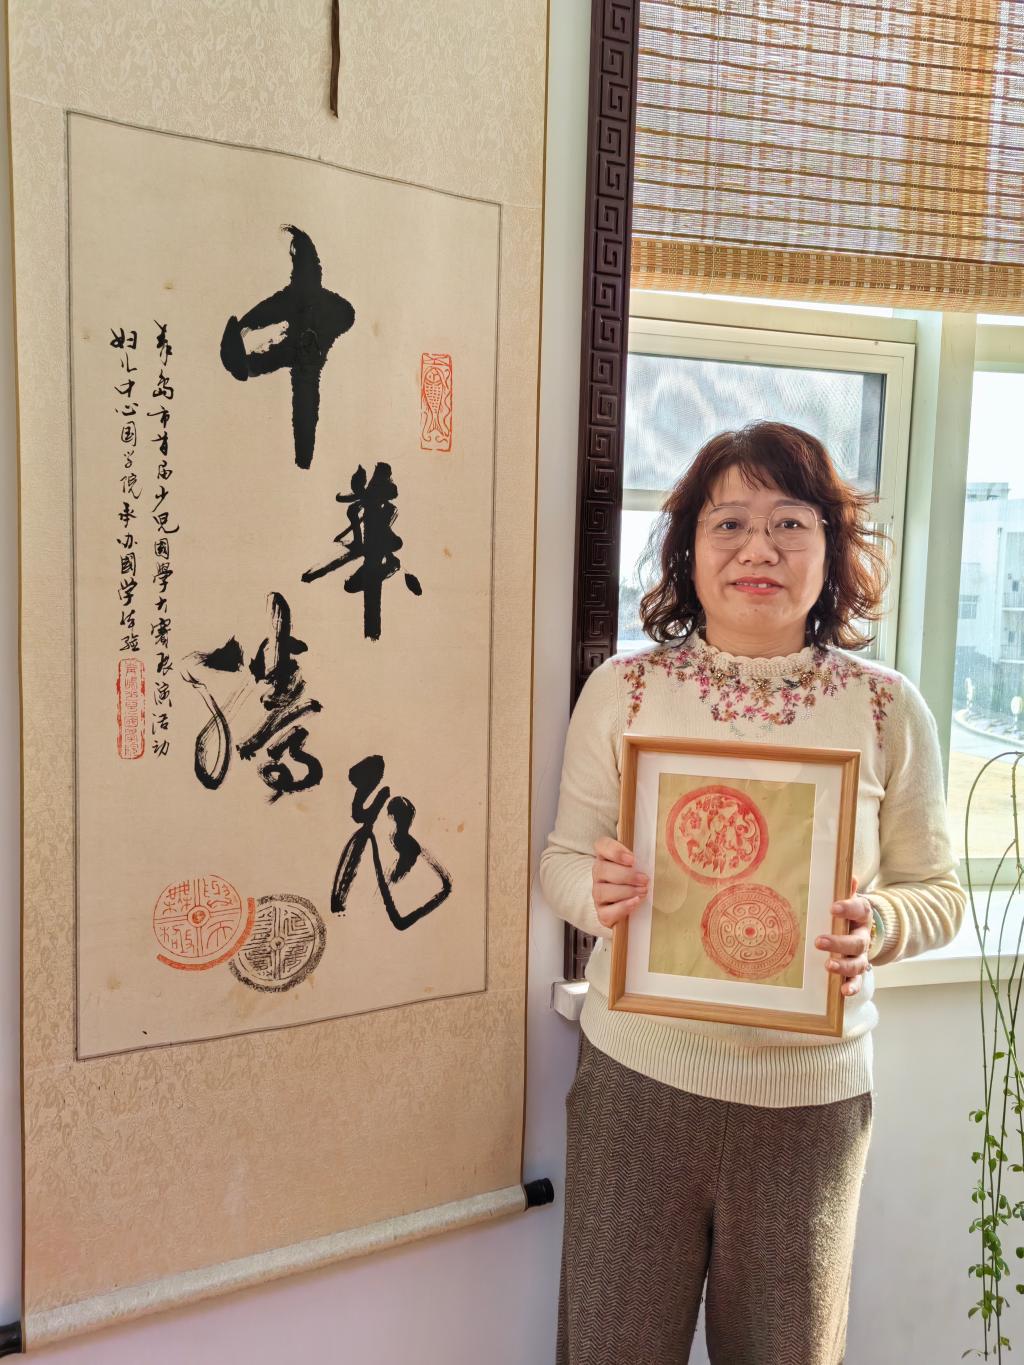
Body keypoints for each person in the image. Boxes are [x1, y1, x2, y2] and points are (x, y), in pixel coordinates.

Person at [540, 421, 965, 1365]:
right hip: (637, 1083)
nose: (758, 549)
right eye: (728, 522)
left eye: (789, 522)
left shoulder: (887, 707)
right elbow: (561, 861)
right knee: (609, 1348)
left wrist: (879, 923)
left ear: (832, 547)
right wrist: (597, 894)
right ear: (688, 549)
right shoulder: (625, 690)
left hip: (809, 1104)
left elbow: (937, 891)